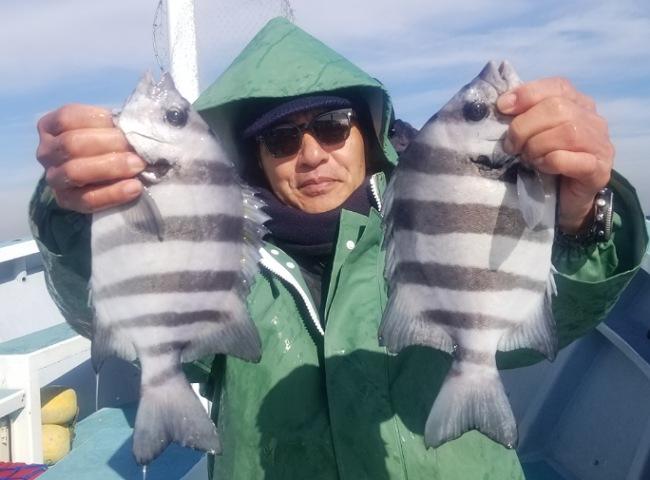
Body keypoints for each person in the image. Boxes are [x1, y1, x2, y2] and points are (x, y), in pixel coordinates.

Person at [31, 17, 647, 479]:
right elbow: (108, 309)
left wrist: (584, 221)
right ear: (254, 157)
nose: (311, 155)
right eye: (280, 139)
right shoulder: (217, 245)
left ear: (368, 133)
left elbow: (553, 321)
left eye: (331, 126)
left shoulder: (425, 221)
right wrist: (73, 218)